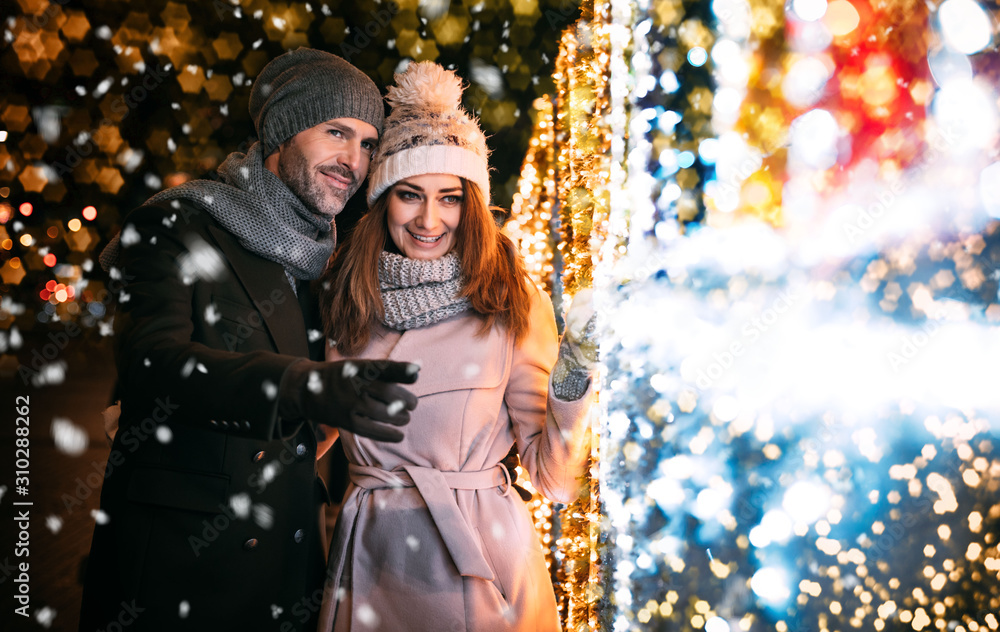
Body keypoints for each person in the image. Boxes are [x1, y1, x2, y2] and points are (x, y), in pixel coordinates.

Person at [79, 48, 419, 632]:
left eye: (367, 143)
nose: (353, 161)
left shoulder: (326, 259)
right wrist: (303, 388)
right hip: (180, 571)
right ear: (282, 133)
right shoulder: (177, 224)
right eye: (336, 132)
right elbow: (154, 366)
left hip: (286, 572)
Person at [315, 61, 597, 632]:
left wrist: (575, 374)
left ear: (472, 205)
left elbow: (554, 480)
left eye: (450, 198)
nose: (429, 219)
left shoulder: (508, 297)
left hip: (480, 562)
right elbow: (310, 435)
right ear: (383, 200)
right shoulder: (347, 294)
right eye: (410, 196)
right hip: (371, 555)